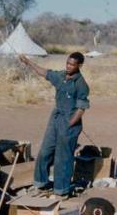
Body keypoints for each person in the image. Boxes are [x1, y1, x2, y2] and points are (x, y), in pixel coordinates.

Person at [19, 52, 89, 199]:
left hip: (70, 123)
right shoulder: (61, 76)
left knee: (63, 158)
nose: (68, 66)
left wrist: (69, 125)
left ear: (79, 66)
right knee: (45, 151)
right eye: (67, 63)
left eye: (72, 64)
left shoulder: (81, 84)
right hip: (55, 119)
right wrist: (28, 62)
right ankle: (40, 184)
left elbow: (81, 109)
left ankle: (61, 190)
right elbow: (44, 72)